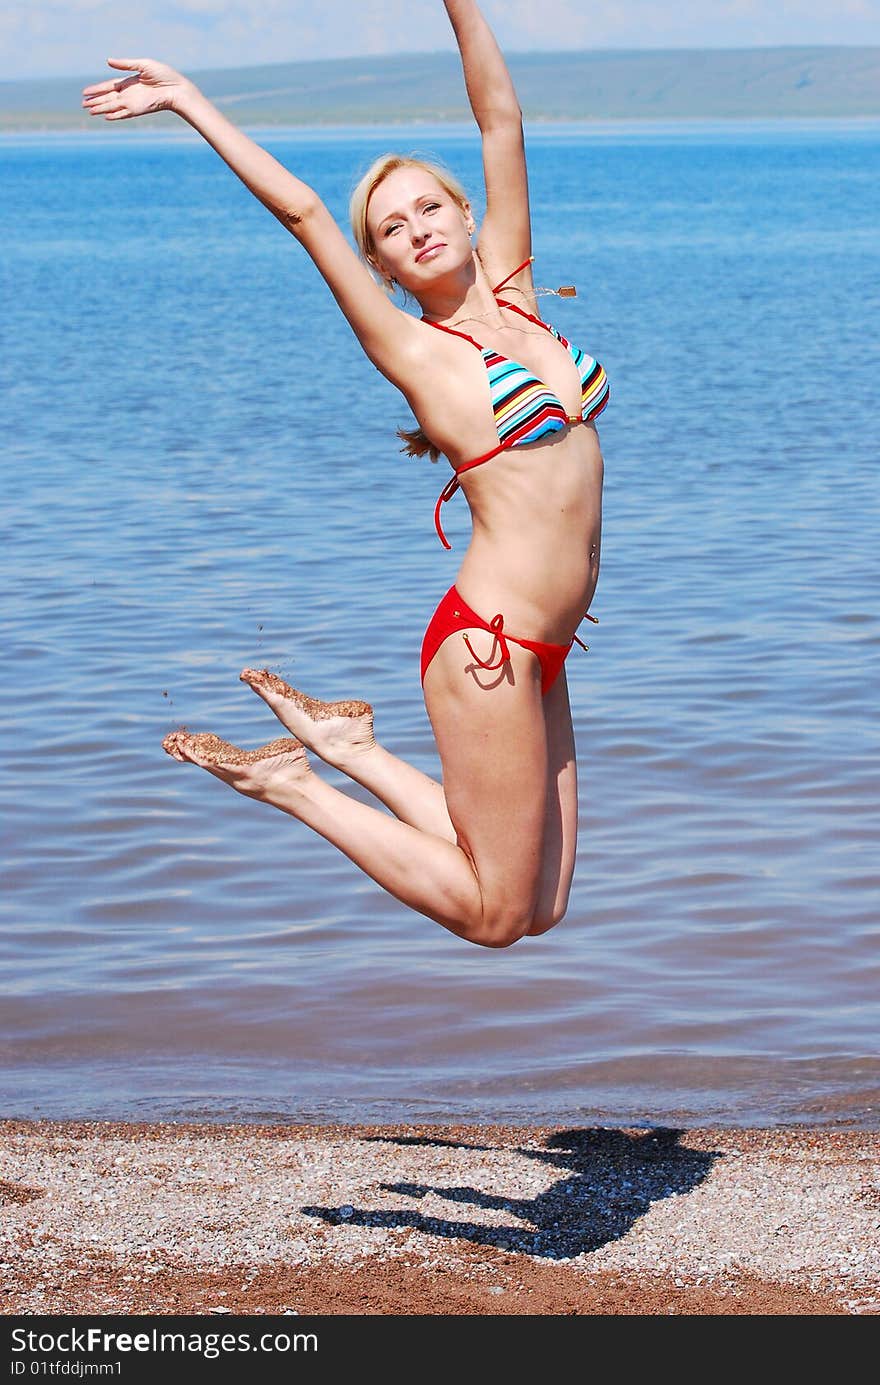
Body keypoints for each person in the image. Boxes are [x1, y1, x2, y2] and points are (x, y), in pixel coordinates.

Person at [82, 0, 609, 949]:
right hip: (489, 646)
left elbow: (500, 120)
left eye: (429, 207)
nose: (417, 229)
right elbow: (303, 210)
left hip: (550, 649)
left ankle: (350, 748)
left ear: (462, 211)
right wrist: (193, 101)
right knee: (495, 916)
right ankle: (294, 784)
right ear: (386, 267)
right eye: (394, 229)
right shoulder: (415, 351)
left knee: (544, 905)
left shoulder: (522, 295)